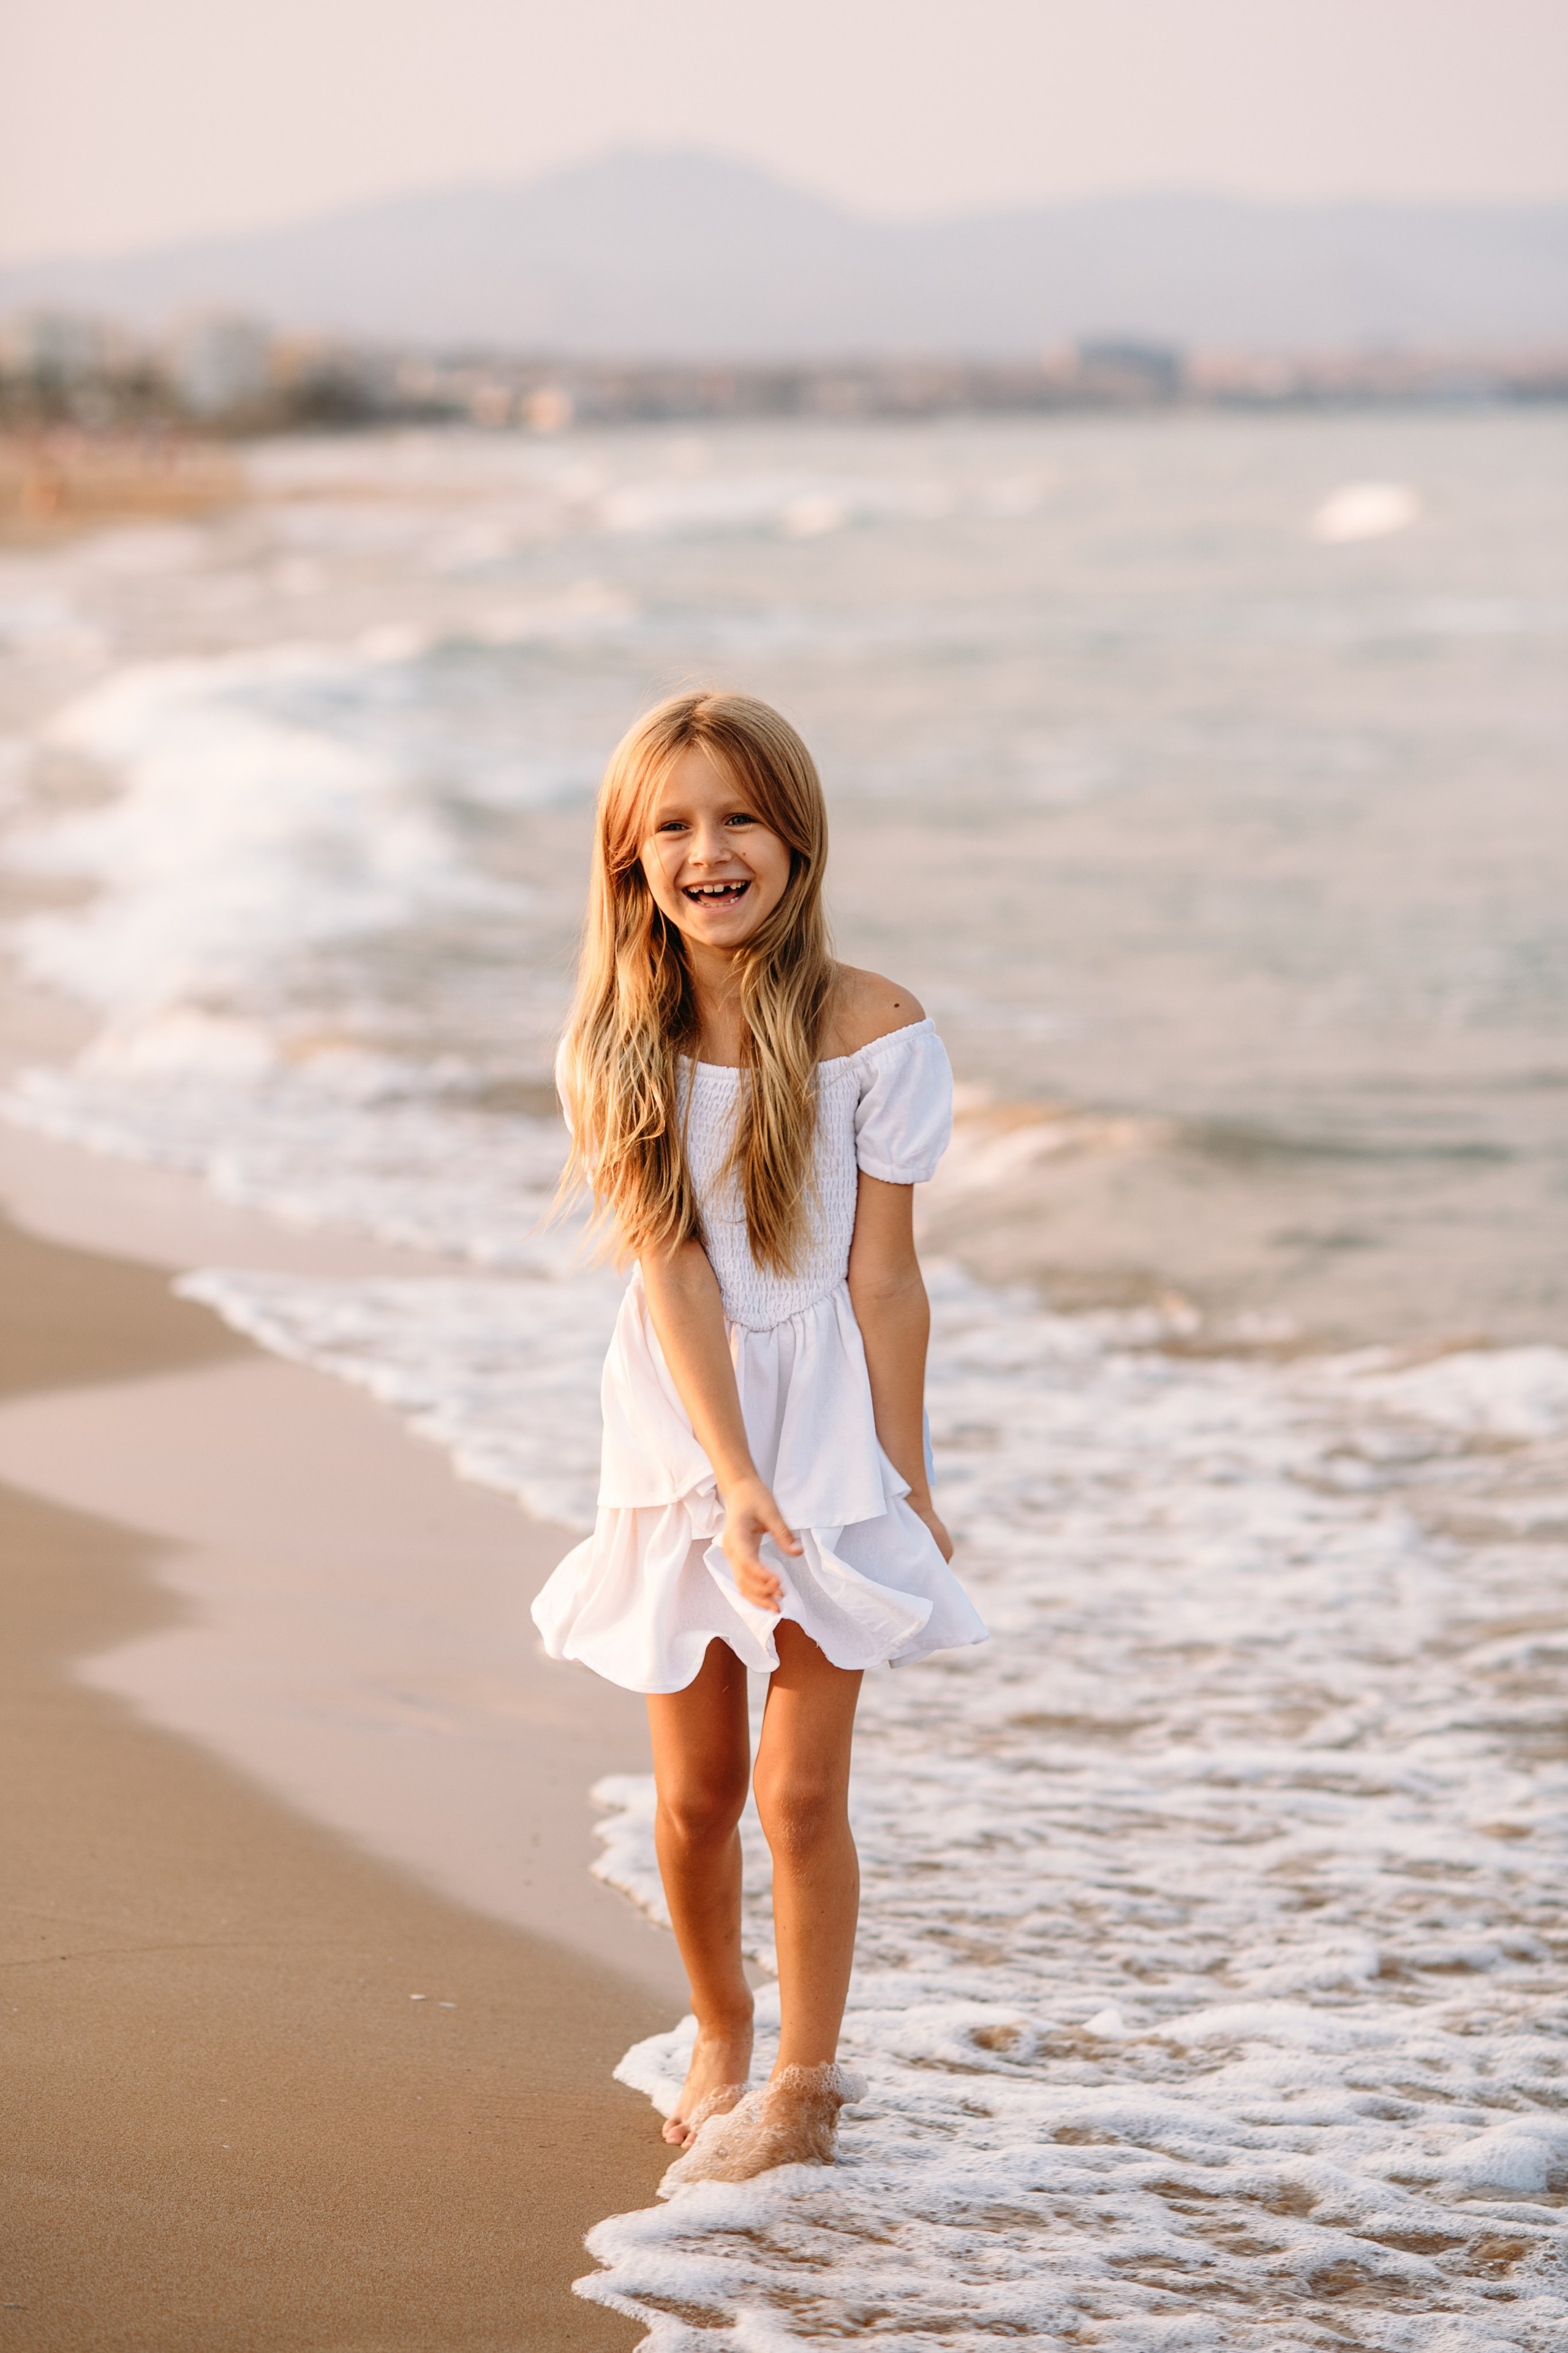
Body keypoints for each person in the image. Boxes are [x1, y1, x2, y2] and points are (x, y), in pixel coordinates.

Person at [532, 689, 987, 2184]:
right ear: (627, 856)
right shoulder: (619, 1034)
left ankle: (804, 2082)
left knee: (800, 1794)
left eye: (737, 817)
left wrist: (905, 1475)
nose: (707, 849)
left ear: (796, 836)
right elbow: (666, 1265)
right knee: (694, 1794)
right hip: (681, 1417)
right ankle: (719, 2016)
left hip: (831, 1418)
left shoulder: (876, 1027)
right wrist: (727, 1476)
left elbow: (885, 1274)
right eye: (671, 825)